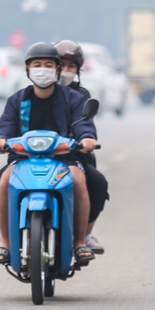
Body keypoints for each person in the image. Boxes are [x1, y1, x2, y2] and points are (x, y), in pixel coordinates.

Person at [0, 42, 97, 266]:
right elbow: (5, 126)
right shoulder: (17, 100)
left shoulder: (73, 98)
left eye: (49, 64)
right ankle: (5, 242)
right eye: (37, 64)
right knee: (2, 181)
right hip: (24, 158)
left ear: (57, 70)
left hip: (65, 157)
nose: (43, 69)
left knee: (79, 180)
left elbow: (83, 124)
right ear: (28, 69)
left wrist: (86, 138)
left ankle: (79, 242)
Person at [55, 39, 109, 254]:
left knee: (96, 182)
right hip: (34, 155)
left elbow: (85, 124)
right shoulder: (29, 94)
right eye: (61, 66)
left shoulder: (80, 96)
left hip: (71, 155)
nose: (65, 71)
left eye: (71, 67)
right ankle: (7, 237)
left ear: (78, 70)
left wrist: (86, 138)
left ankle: (84, 234)